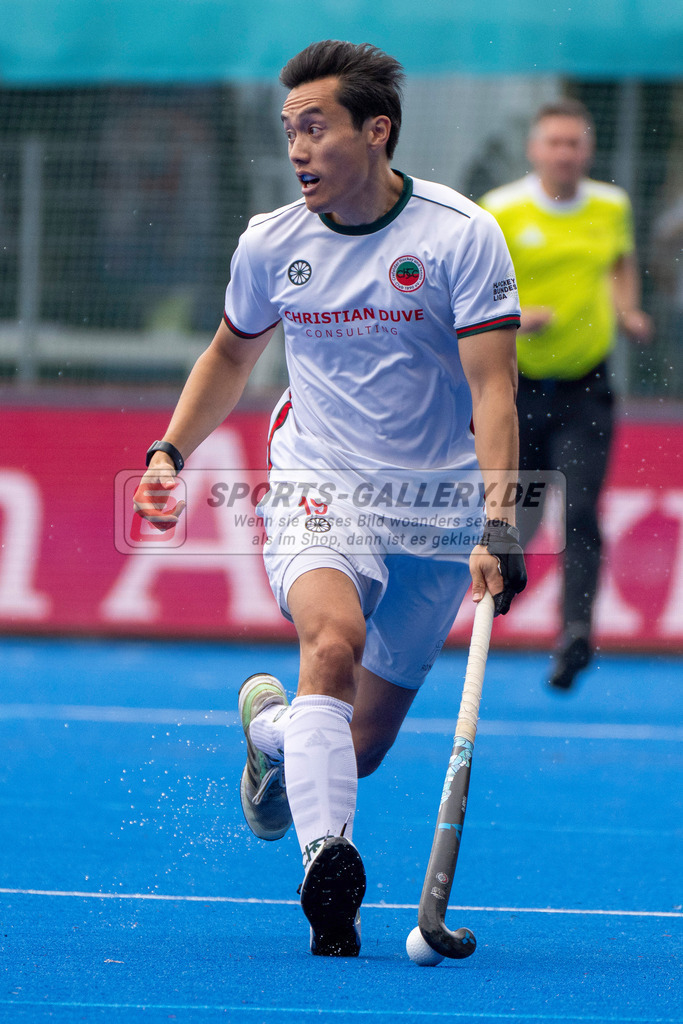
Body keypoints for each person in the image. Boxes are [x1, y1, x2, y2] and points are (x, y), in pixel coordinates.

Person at [134, 40, 526, 957]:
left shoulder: (460, 235)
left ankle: (271, 737)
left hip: (437, 505)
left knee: (362, 746)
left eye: (315, 128)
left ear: (375, 130)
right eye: (289, 131)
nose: (297, 149)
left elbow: (494, 389)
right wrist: (169, 451)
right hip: (320, 478)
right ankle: (328, 866)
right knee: (331, 642)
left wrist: (500, 521)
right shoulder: (272, 242)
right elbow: (229, 355)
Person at [480, 99, 653, 692]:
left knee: (580, 511)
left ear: (588, 150)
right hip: (517, 388)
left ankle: (575, 631)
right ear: (535, 150)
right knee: (517, 516)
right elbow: (476, 290)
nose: (564, 154)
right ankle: (483, 609)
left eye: (574, 143)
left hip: (587, 388)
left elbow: (621, 263)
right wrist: (517, 315)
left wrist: (628, 309)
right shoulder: (500, 209)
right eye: (554, 143)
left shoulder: (611, 207)